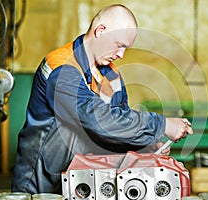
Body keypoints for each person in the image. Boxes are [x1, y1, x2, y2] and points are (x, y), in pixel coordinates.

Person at [11, 4, 193, 194]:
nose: (121, 55)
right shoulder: (62, 68)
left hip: (84, 185)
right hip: (42, 186)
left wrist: (145, 145)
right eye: (119, 45)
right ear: (101, 31)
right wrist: (161, 125)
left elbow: (117, 125)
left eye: (126, 49)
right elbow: (96, 119)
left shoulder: (111, 75)